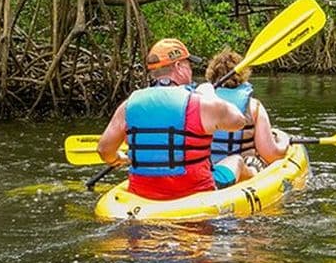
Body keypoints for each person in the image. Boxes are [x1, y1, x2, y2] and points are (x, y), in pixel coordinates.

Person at [96, 38, 249, 200]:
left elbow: (104, 150)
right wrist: (209, 93)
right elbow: (239, 121)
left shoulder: (128, 105)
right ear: (178, 66)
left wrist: (118, 158)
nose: (191, 70)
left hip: (143, 195)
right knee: (236, 160)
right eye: (188, 65)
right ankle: (255, 174)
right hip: (196, 193)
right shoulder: (200, 103)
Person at [198, 49, 289, 181]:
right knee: (257, 162)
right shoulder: (253, 106)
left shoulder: (200, 103)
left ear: (211, 75)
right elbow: (271, 154)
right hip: (245, 170)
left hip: (208, 168)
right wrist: (284, 141)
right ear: (243, 75)